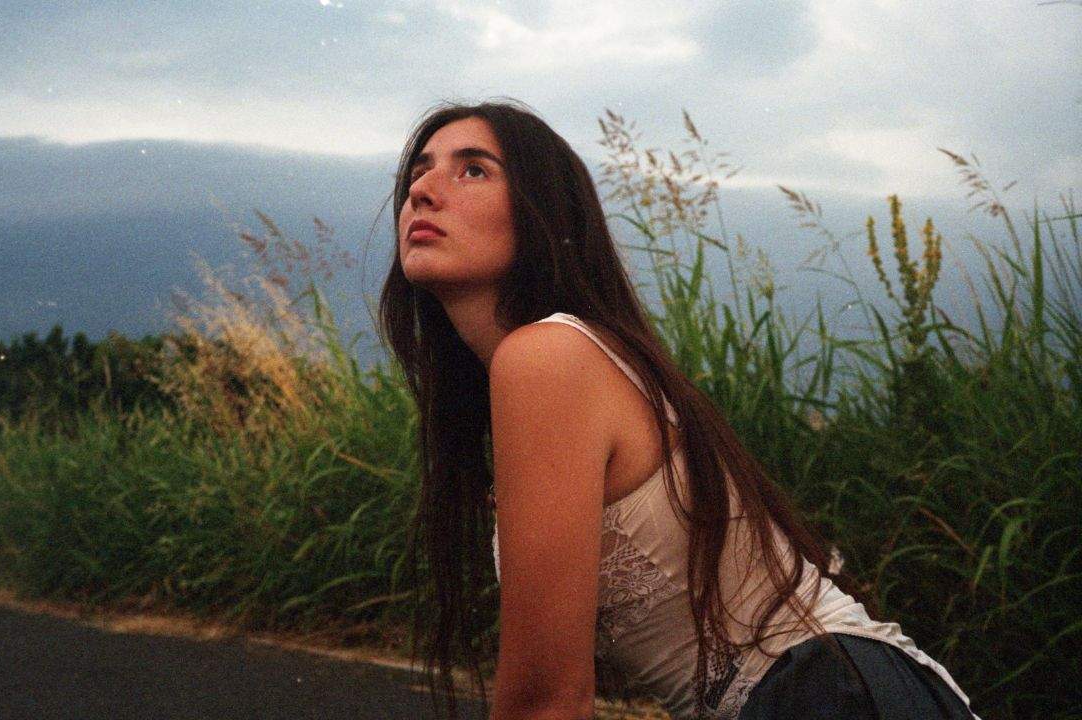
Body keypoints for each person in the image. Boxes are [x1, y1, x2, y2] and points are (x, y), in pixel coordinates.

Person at [377, 99, 981, 720]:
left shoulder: (547, 357)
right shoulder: (561, 363)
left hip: (827, 696)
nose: (422, 190)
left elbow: (547, 702)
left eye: (473, 169)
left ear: (543, 213)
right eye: (418, 171)